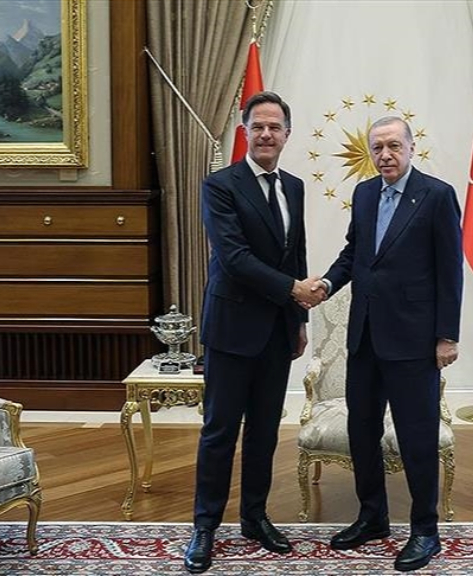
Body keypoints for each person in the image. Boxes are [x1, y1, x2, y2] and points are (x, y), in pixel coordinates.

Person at [184, 91, 322, 574]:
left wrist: (299, 320)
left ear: (287, 134)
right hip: (232, 329)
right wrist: (294, 290)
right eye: (258, 126)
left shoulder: (295, 187)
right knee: (220, 432)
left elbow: (296, 253)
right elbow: (234, 257)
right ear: (244, 132)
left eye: (274, 127)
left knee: (263, 432)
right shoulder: (220, 186)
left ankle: (255, 517)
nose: (266, 134)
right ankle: (205, 526)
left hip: (278, 331)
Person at [319, 116, 463, 572]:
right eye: (377, 147)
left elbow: (450, 270)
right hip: (364, 337)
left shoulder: (436, 196)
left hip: (414, 341)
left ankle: (425, 530)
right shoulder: (364, 194)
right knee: (362, 431)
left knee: (417, 436)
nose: (385, 155)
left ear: (411, 147)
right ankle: (372, 517)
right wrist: (326, 283)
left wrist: (447, 336)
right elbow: (354, 255)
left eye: (393, 146)